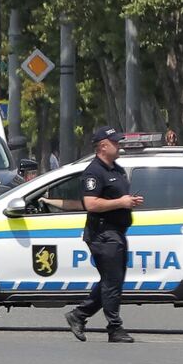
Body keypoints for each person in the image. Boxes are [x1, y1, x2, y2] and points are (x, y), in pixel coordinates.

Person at [66, 126, 143, 344]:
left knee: (113, 281)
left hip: (117, 232)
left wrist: (129, 203)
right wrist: (122, 202)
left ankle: (78, 315)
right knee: (112, 282)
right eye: (115, 142)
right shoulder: (94, 172)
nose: (119, 145)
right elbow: (91, 203)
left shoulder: (116, 169)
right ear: (102, 146)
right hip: (102, 233)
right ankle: (114, 328)